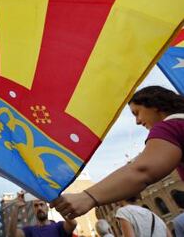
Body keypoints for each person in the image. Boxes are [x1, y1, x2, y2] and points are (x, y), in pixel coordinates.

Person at [51, 86, 184, 219]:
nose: (137, 121)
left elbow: (143, 170)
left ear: (155, 105)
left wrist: (87, 197)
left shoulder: (169, 128)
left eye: (137, 112)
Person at [10, 193, 77, 237]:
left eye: (41, 204)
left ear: (47, 208)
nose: (39, 208)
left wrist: (56, 203)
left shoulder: (59, 226)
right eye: (36, 206)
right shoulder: (29, 231)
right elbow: (13, 234)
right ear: (34, 210)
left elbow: (73, 224)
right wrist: (16, 208)